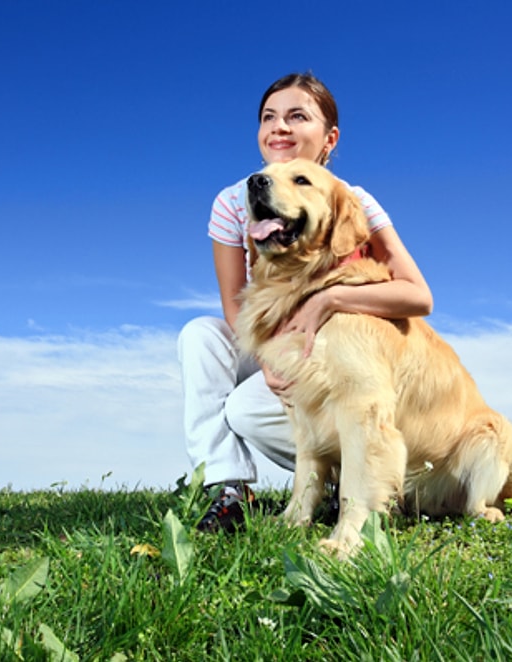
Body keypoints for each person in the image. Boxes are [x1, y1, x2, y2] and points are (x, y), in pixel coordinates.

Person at [177, 72, 433, 532]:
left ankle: (356, 479)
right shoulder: (235, 199)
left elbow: (418, 294)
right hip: (275, 342)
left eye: (297, 116)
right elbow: (237, 305)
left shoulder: (350, 199)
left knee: (244, 410)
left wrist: (330, 299)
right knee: (200, 335)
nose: (279, 126)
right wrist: (266, 360)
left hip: (330, 349)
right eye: (268, 117)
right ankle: (228, 486)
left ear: (329, 138)